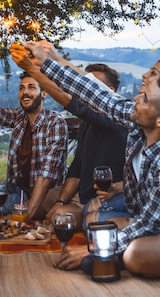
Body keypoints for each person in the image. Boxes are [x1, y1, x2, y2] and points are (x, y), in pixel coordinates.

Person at [20, 41, 160, 279]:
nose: (134, 99)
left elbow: (152, 225)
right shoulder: (141, 119)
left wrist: (93, 251)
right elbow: (95, 93)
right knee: (96, 225)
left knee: (136, 255)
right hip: (157, 225)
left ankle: (114, 256)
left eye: (143, 99)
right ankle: (114, 253)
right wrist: (46, 63)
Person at [10, 43, 128, 231]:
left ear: (110, 94)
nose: (85, 93)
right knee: (23, 208)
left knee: (56, 218)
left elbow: (70, 101)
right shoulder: (86, 124)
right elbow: (77, 168)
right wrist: (61, 200)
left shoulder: (115, 120)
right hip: (80, 195)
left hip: (105, 198)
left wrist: (34, 68)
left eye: (90, 89)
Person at [0, 58, 68, 220]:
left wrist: (24, 214)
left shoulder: (55, 122)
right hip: (16, 193)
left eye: (31, 87)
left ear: (44, 93)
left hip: (44, 195)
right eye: (21, 88)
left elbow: (46, 177)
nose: (25, 92)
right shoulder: (18, 118)